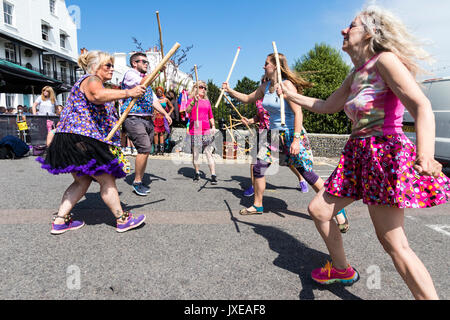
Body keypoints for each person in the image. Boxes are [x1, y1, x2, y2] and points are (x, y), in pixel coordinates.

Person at [277, 5, 450, 299]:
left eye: (351, 26)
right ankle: (342, 269)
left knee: (393, 243)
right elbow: (327, 105)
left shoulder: (385, 61)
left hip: (382, 153)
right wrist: (292, 95)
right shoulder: (355, 73)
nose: (343, 31)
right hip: (357, 153)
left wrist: (426, 155)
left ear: (369, 33)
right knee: (318, 209)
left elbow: (421, 106)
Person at [222, 53, 349, 232]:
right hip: (272, 134)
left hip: (290, 133)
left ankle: (337, 208)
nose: (263, 66)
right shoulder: (265, 86)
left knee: (306, 173)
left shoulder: (287, 85)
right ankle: (258, 205)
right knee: (258, 167)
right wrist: (230, 91)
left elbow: (299, 113)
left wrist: (296, 140)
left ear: (275, 66)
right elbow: (248, 98)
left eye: (266, 64)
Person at [37, 50, 147, 234]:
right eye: (108, 65)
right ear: (95, 67)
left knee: (82, 181)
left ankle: (60, 221)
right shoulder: (92, 79)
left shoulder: (91, 83)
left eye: (112, 65)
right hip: (82, 137)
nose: (112, 69)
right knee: (107, 179)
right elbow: (96, 96)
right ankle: (122, 220)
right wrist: (128, 92)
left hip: (69, 138)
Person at [120, 52, 172, 196]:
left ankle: (140, 179)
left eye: (147, 62)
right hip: (134, 117)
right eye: (143, 61)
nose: (146, 64)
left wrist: (166, 113)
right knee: (144, 147)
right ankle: (137, 182)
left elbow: (154, 101)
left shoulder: (146, 81)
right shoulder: (130, 74)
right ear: (134, 63)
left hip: (148, 119)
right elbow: (142, 84)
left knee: (146, 151)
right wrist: (158, 71)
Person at [186, 80, 217, 185]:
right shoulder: (191, 100)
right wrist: (193, 101)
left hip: (206, 129)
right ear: (196, 88)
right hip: (195, 128)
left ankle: (213, 175)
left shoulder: (207, 102)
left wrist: (213, 126)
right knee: (196, 153)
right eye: (201, 87)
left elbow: (211, 116)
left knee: (208, 152)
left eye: (205, 88)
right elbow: (188, 110)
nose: (203, 89)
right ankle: (197, 172)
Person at [153, 86, 174, 155]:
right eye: (158, 91)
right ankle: (156, 149)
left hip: (162, 118)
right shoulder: (154, 99)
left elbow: (172, 107)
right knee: (155, 133)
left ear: (162, 92)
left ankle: (161, 150)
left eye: (160, 91)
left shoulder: (165, 99)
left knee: (161, 133)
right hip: (155, 118)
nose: (159, 92)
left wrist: (168, 114)